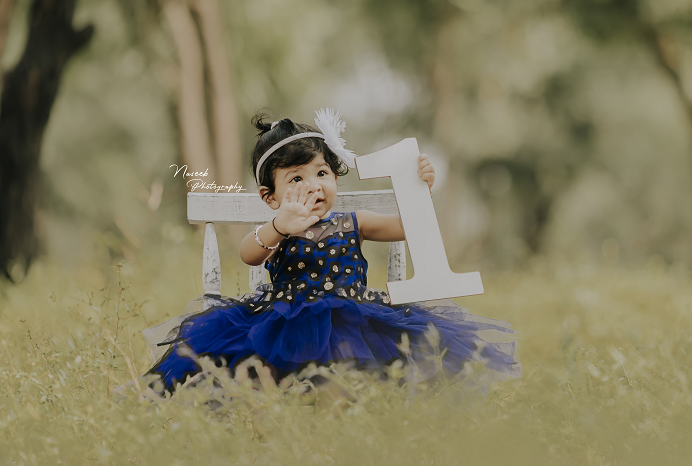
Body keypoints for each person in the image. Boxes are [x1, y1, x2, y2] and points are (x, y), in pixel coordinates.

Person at [145, 109, 521, 393]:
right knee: (251, 364)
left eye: (321, 173)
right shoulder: (281, 227)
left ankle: (356, 415)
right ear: (270, 196)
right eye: (296, 178)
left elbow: (411, 226)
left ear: (335, 176)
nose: (314, 185)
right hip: (287, 321)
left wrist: (420, 188)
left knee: (389, 359)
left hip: (355, 315)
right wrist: (279, 226)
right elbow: (249, 254)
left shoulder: (353, 221)